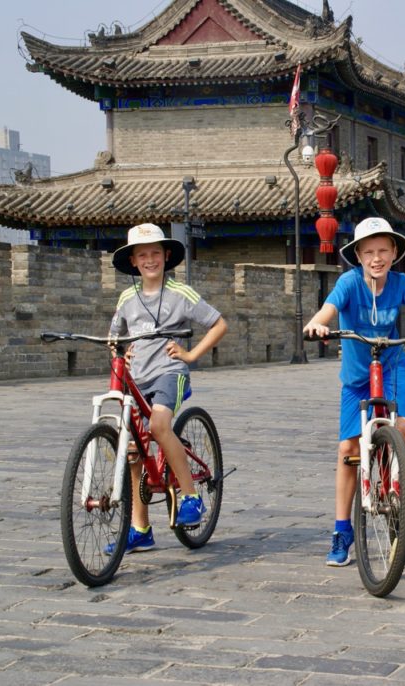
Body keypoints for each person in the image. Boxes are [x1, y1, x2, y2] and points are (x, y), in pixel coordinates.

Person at [303, 217, 405, 567]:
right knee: (347, 447)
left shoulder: (400, 282)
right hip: (356, 376)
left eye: (383, 250)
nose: (376, 257)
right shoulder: (348, 282)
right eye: (369, 251)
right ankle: (342, 529)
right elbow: (329, 308)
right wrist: (318, 323)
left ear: (394, 252)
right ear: (358, 255)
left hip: (392, 369)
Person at [107, 223, 228, 553]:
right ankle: (140, 528)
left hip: (169, 372)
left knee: (160, 425)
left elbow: (219, 323)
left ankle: (190, 496)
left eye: (155, 253)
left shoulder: (181, 294)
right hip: (137, 377)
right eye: (142, 254)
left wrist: (191, 355)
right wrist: (120, 350)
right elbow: (114, 338)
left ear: (166, 256)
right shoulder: (127, 298)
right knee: (133, 452)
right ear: (133, 261)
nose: (150, 260)